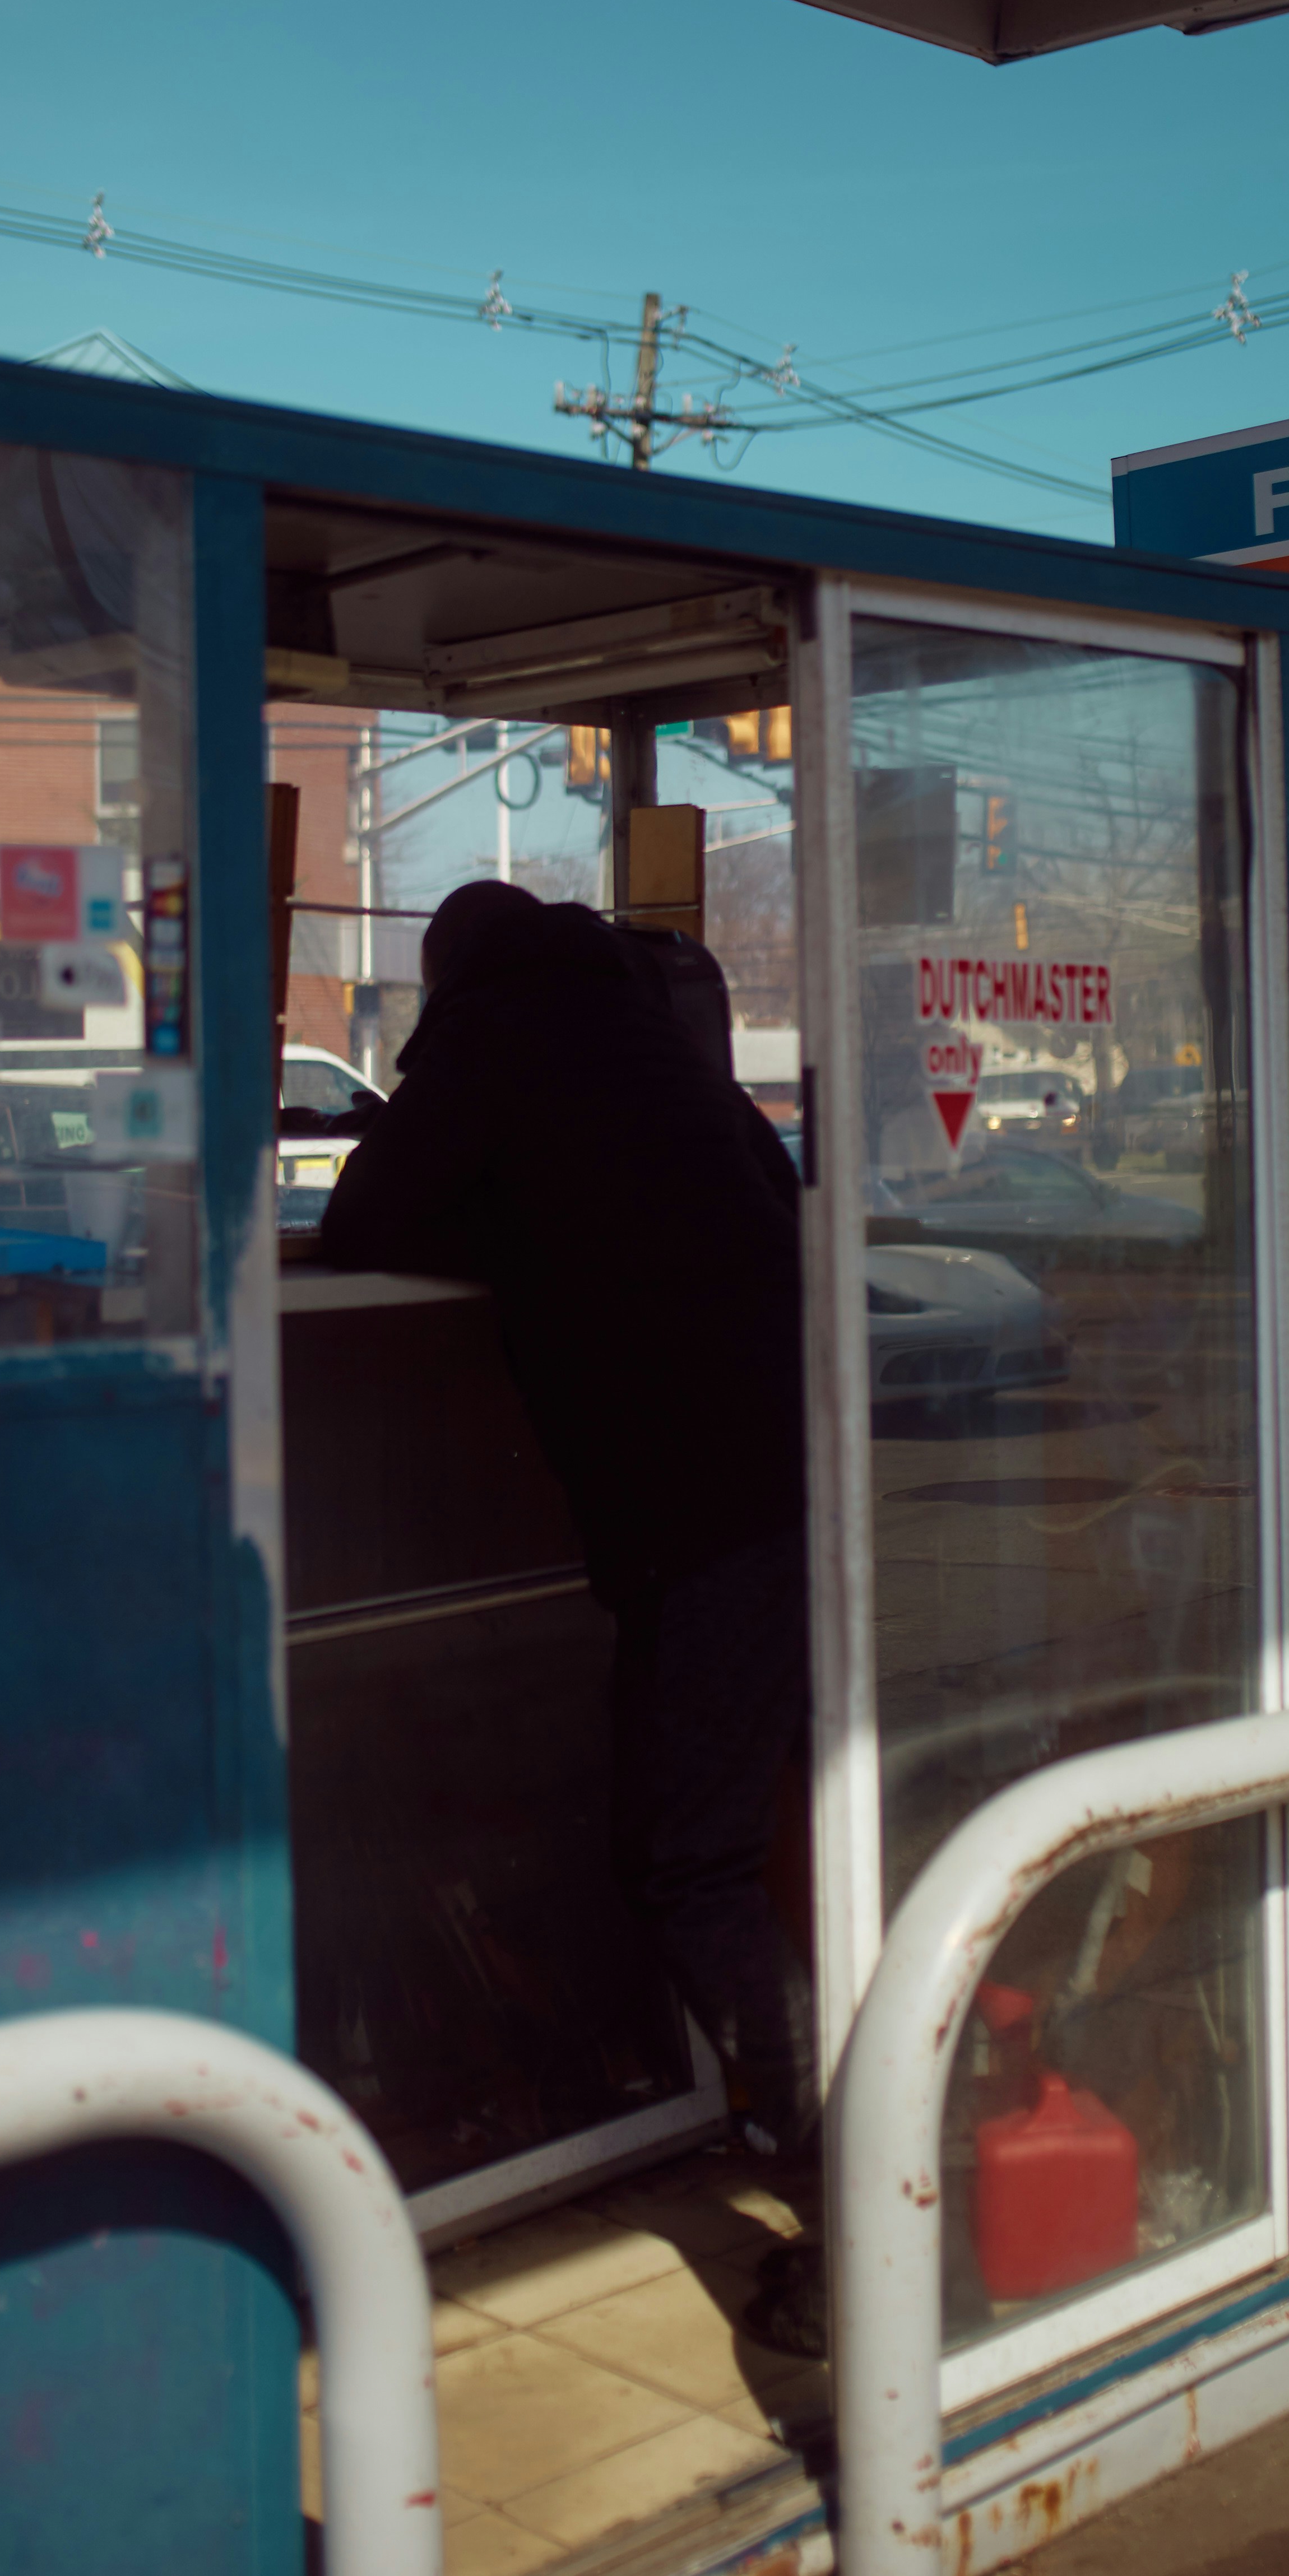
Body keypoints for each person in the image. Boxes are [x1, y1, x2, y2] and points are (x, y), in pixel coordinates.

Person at [318, 878, 819, 2171]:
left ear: (447, 977)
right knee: (797, 1816)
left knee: (689, 1859)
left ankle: (837, 2186)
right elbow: (772, 1197)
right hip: (813, 1481)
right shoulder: (659, 1044)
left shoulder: (494, 1039)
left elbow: (362, 1216)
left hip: (704, 1507)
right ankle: (856, 2130)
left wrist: (507, 1223)